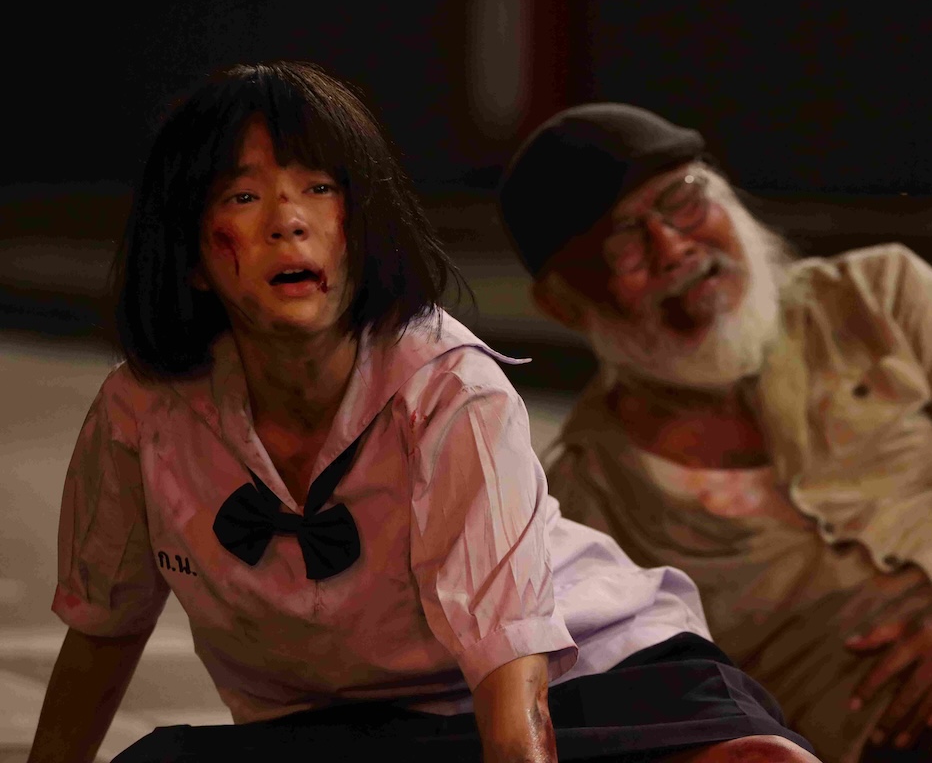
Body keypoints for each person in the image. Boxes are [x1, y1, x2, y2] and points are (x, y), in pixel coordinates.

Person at [28, 65, 822, 763]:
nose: (287, 220)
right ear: (194, 257)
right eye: (242, 196)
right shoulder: (141, 412)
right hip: (342, 727)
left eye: (320, 189)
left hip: (583, 682)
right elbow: (104, 628)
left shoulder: (450, 390)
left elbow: (510, 679)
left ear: (361, 227)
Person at [496, 103, 932, 763]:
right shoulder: (578, 498)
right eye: (624, 240)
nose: (673, 245)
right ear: (564, 302)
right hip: (915, 717)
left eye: (683, 199)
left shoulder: (874, 292)